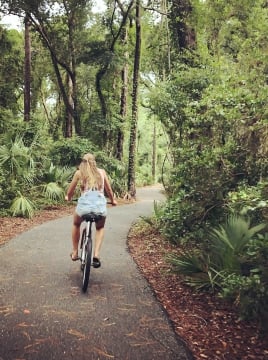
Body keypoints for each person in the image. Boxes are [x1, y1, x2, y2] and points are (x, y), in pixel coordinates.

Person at [65, 153, 117, 268]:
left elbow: (70, 191)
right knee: (100, 227)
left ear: (82, 162)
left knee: (76, 223)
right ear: (94, 162)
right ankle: (96, 255)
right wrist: (113, 200)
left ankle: (74, 252)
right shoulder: (102, 172)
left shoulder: (79, 173)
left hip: (84, 208)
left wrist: (68, 198)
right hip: (99, 207)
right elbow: (108, 189)